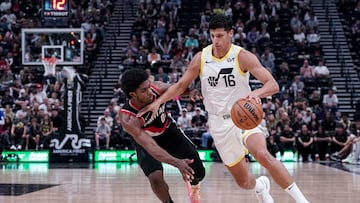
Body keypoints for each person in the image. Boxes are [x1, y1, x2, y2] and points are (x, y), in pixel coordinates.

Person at [139, 14, 309, 203]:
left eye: (220, 36)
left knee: (262, 154)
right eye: (212, 36)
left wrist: (256, 93)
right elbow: (180, 86)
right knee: (243, 182)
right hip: (218, 123)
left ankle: (302, 200)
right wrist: (156, 103)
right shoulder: (201, 58)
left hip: (245, 116)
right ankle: (261, 187)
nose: (216, 40)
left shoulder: (242, 56)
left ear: (231, 34)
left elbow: (273, 84)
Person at [118, 68, 205, 203]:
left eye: (148, 86)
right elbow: (150, 145)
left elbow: (179, 89)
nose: (149, 91)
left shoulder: (157, 88)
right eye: (144, 90)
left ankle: (194, 186)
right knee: (155, 177)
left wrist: (191, 92)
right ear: (132, 94)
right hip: (147, 141)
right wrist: (177, 163)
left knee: (199, 172)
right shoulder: (128, 118)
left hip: (169, 132)